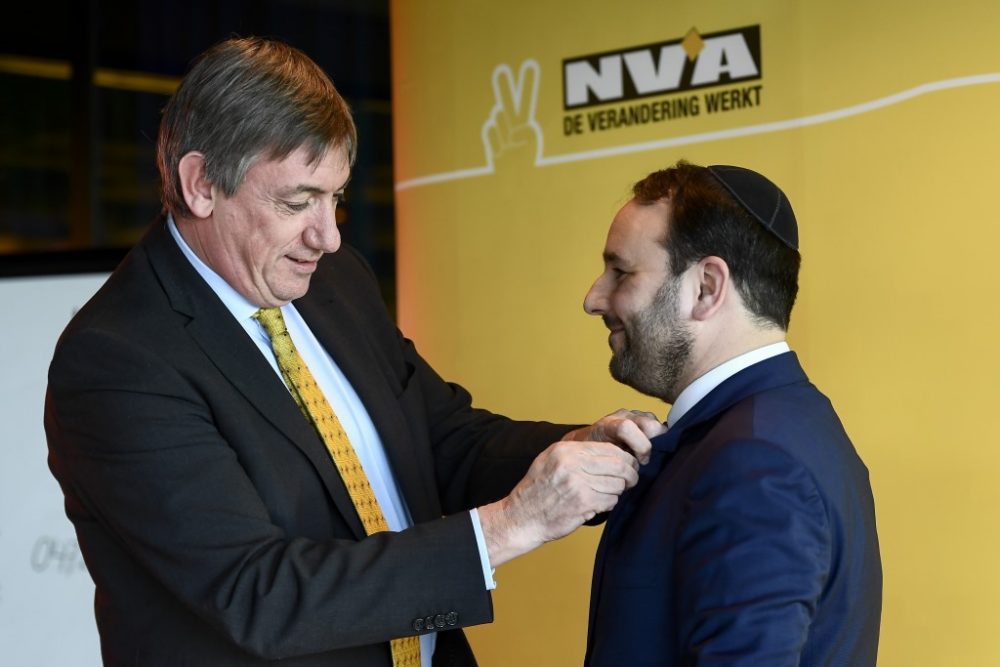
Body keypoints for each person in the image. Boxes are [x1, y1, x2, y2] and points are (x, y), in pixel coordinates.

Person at [44, 37, 661, 666]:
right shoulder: (117, 359)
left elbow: (441, 441)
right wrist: (509, 526)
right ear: (200, 183)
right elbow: (259, 594)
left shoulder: (334, 282)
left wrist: (580, 453)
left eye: (335, 198)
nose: (329, 236)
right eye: (297, 202)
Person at [581, 161, 882, 665]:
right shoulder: (779, 428)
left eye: (622, 272)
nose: (593, 298)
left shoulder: (754, 461)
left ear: (705, 287)